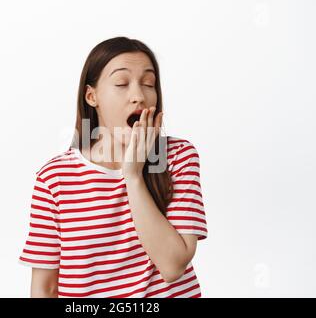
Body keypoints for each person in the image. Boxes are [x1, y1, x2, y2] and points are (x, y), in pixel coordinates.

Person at [18, 36, 208, 298]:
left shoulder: (177, 156)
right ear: (92, 96)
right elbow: (44, 288)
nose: (138, 96)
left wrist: (133, 175)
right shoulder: (54, 178)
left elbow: (173, 266)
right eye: (121, 83)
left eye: (148, 84)